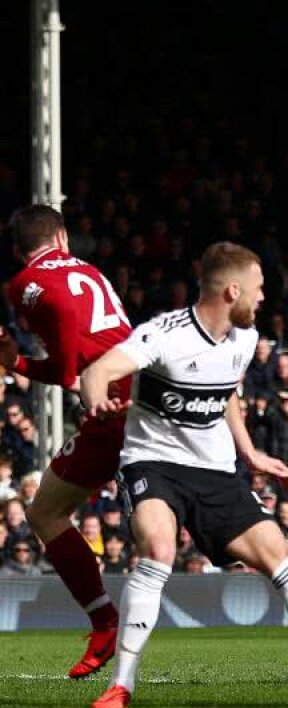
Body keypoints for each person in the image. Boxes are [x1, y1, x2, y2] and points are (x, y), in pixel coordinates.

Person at [79, 242, 288, 708]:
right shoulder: (165, 333)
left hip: (215, 472)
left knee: (282, 557)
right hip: (153, 463)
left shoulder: (243, 339)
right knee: (158, 547)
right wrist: (94, 398)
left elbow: (227, 393)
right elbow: (100, 369)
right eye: (258, 289)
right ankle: (121, 684)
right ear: (232, 289)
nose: (262, 299)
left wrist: (251, 453)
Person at [0, 205, 131, 678]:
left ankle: (105, 620)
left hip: (112, 405)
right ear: (62, 237)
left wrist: (20, 363)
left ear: (20, 250)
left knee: (46, 513)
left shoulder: (24, 285)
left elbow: (66, 369)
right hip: (138, 390)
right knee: (46, 510)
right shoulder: (89, 270)